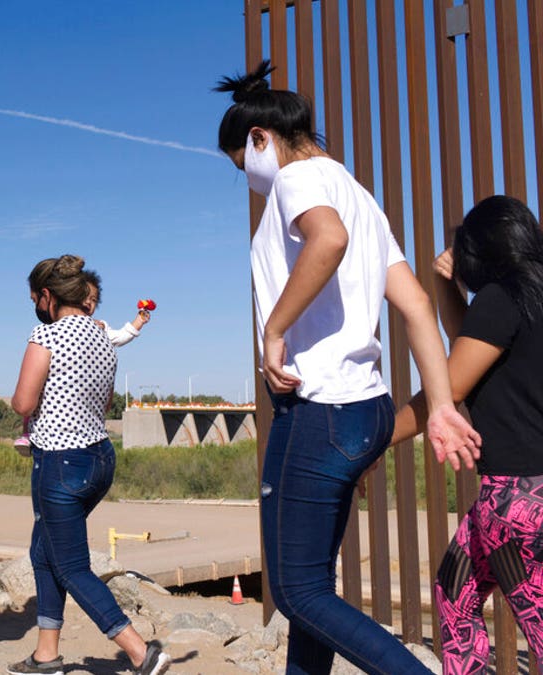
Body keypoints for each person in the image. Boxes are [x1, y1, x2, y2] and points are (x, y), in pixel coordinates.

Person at [215, 60, 480, 674]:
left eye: (241, 166)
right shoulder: (358, 195)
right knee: (315, 588)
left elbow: (326, 241)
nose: (249, 180)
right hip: (362, 410)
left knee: (298, 592)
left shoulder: (296, 179)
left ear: (260, 139)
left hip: (320, 410)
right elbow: (416, 305)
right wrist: (440, 405)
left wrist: (275, 330)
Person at [389, 195, 543, 673]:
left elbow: (450, 384)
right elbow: (471, 345)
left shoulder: (504, 298)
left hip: (514, 499)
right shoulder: (527, 296)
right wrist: (444, 283)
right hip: (520, 494)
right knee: (454, 594)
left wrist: (377, 437)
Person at [8, 255, 169, 675]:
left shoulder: (45, 336)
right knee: (43, 551)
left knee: (71, 565)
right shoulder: (102, 337)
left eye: (35, 298)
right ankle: (47, 654)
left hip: (59, 462)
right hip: (99, 458)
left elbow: (23, 402)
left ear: (47, 296)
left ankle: (139, 651)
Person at [14, 274, 152, 455]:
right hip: (99, 447)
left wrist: (138, 323)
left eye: (94, 300)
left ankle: (27, 434)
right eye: (85, 298)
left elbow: (23, 405)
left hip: (60, 450)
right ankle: (27, 434)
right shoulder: (101, 336)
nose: (89, 303)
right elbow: (107, 404)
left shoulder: (49, 334)